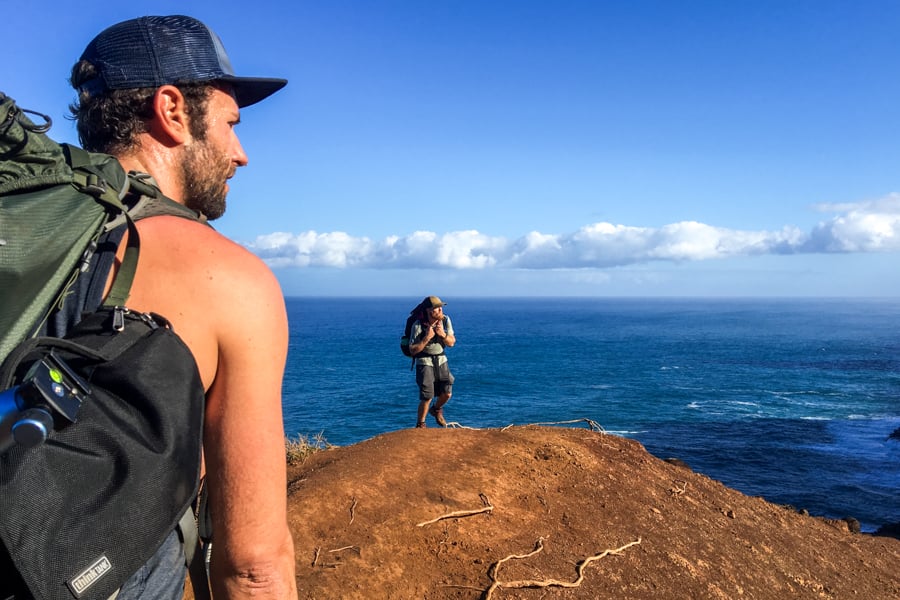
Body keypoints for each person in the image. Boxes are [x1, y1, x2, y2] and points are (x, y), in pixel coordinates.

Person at [63, 15, 297, 599]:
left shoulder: (24, 234)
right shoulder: (229, 279)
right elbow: (253, 567)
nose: (240, 155)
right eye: (229, 125)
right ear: (171, 111)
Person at [407, 296, 456, 428]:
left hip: (441, 359)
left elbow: (451, 342)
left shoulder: (445, 320)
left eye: (441, 307)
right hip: (424, 361)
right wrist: (426, 338)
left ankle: (436, 409)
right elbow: (412, 350)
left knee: (447, 392)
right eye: (437, 308)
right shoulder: (418, 325)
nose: (440, 310)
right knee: (427, 396)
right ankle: (421, 424)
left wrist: (442, 335)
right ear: (429, 311)